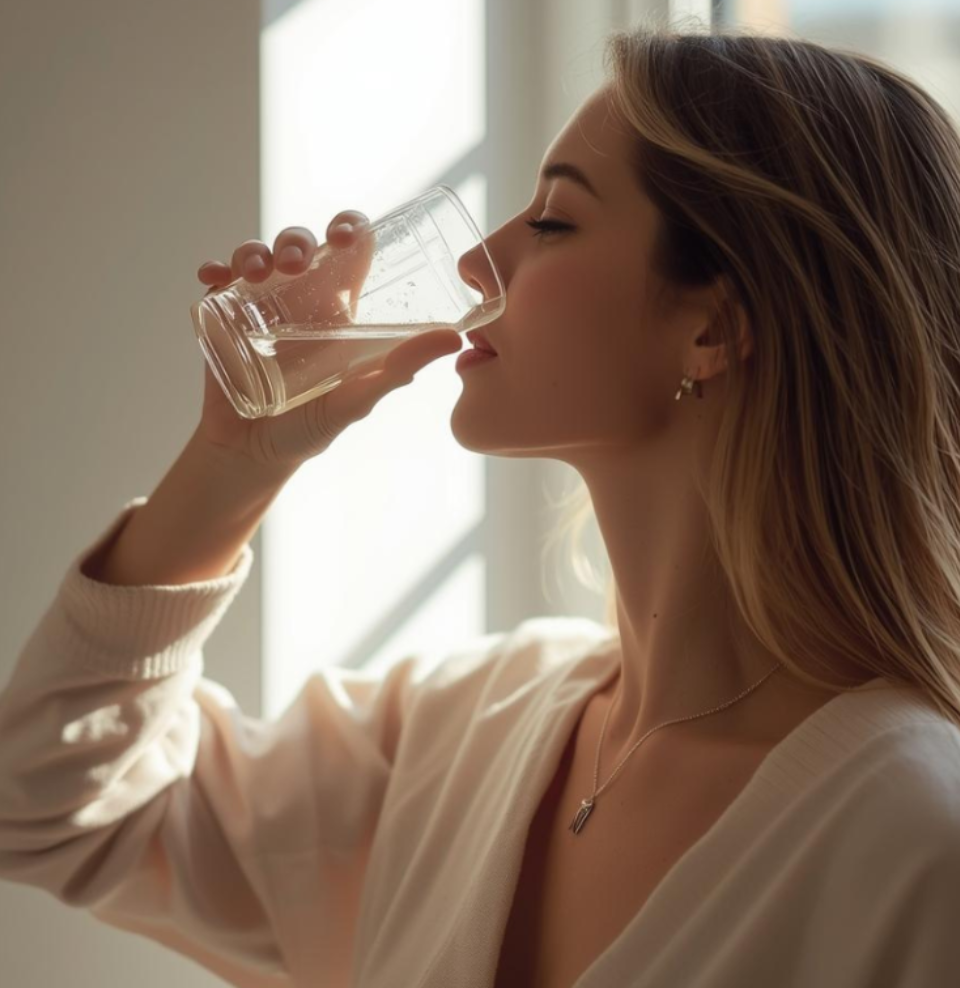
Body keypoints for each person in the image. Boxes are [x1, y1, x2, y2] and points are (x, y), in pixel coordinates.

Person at [2, 23, 960, 988]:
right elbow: (47, 804)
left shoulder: (915, 846)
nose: (476, 264)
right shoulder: (461, 732)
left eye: (552, 221)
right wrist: (233, 463)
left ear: (712, 327)